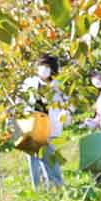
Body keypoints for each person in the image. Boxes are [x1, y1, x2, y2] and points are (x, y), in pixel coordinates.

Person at [19, 54, 67, 189]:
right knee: (33, 159)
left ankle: (56, 185)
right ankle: (38, 189)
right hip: (32, 125)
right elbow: (20, 102)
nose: (44, 69)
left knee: (49, 158)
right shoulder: (29, 83)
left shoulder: (57, 86)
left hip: (48, 126)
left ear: (52, 69)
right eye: (42, 66)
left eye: (47, 66)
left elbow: (66, 105)